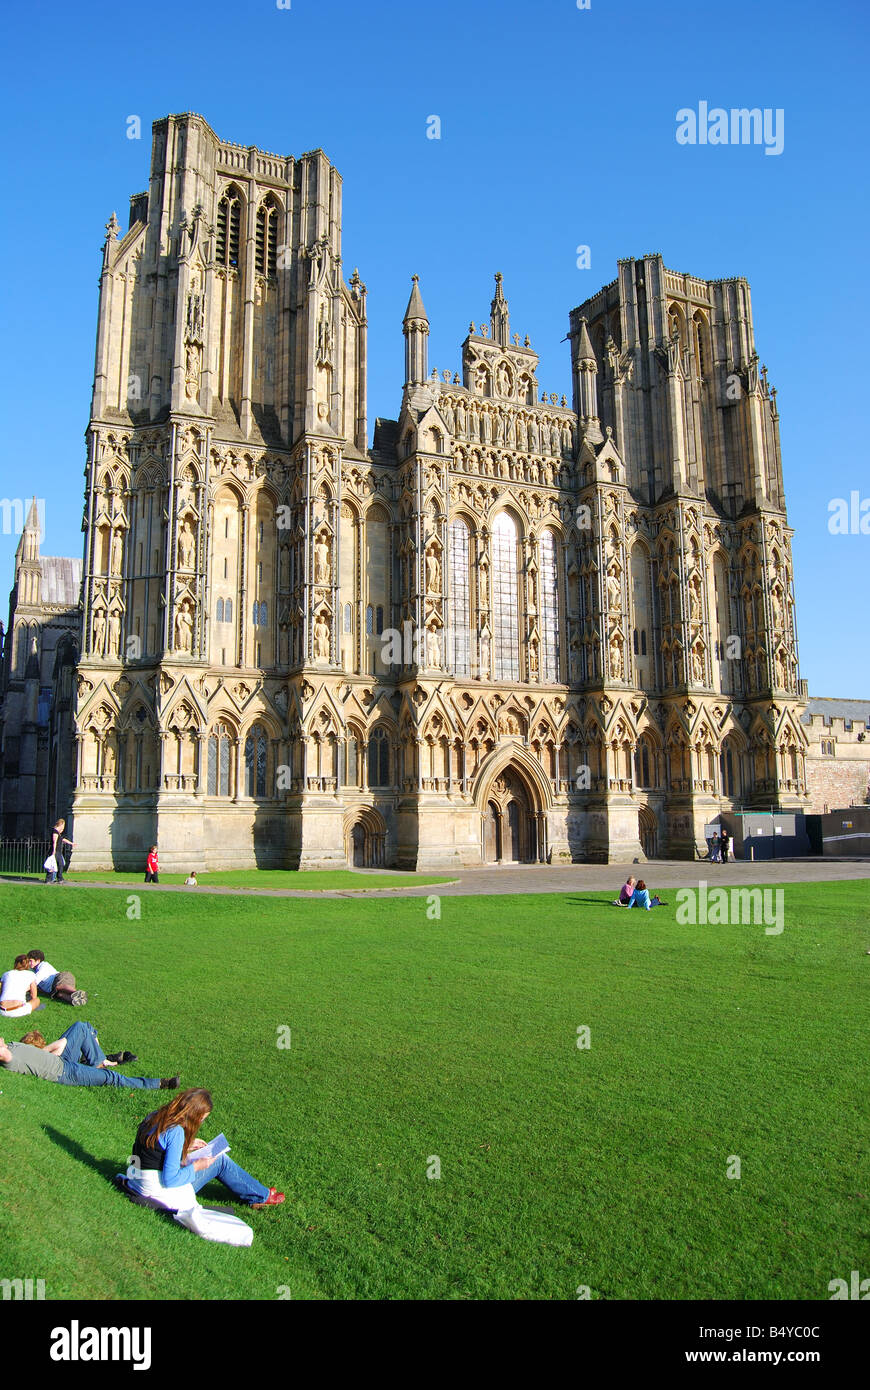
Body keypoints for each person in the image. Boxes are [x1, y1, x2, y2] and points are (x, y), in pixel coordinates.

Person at [126, 1089, 284, 1210]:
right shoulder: (176, 1131)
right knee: (220, 1161)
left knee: (209, 1158)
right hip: (158, 1190)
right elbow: (171, 1179)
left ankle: (258, 1192)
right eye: (202, 1118)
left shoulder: (156, 1116)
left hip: (139, 1180)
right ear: (194, 1115)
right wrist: (197, 1166)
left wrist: (185, 1147)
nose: (201, 1122)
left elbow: (153, 1152)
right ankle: (261, 1196)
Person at [0, 1028, 177, 1090]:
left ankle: (97, 1062)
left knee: (81, 1028)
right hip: (65, 1072)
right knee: (111, 1077)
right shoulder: (9, 1058)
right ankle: (159, 1083)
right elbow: (3, 1053)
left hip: (63, 1060)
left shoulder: (12, 1045)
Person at [20, 1022, 137, 1067]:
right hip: (66, 1061)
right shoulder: (42, 1054)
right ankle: (101, 1061)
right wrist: (48, 1047)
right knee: (80, 1027)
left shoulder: (41, 1054)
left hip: (66, 1056)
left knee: (86, 1026)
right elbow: (62, 1043)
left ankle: (96, 1057)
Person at [44, 819, 74, 884]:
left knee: (60, 864)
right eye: (63, 826)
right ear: (60, 824)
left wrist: (71, 843)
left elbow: (63, 839)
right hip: (55, 851)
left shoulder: (58, 833)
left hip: (58, 851)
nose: (63, 828)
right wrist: (54, 850)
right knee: (54, 865)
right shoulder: (55, 832)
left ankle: (57, 878)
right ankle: (51, 879)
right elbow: (54, 842)